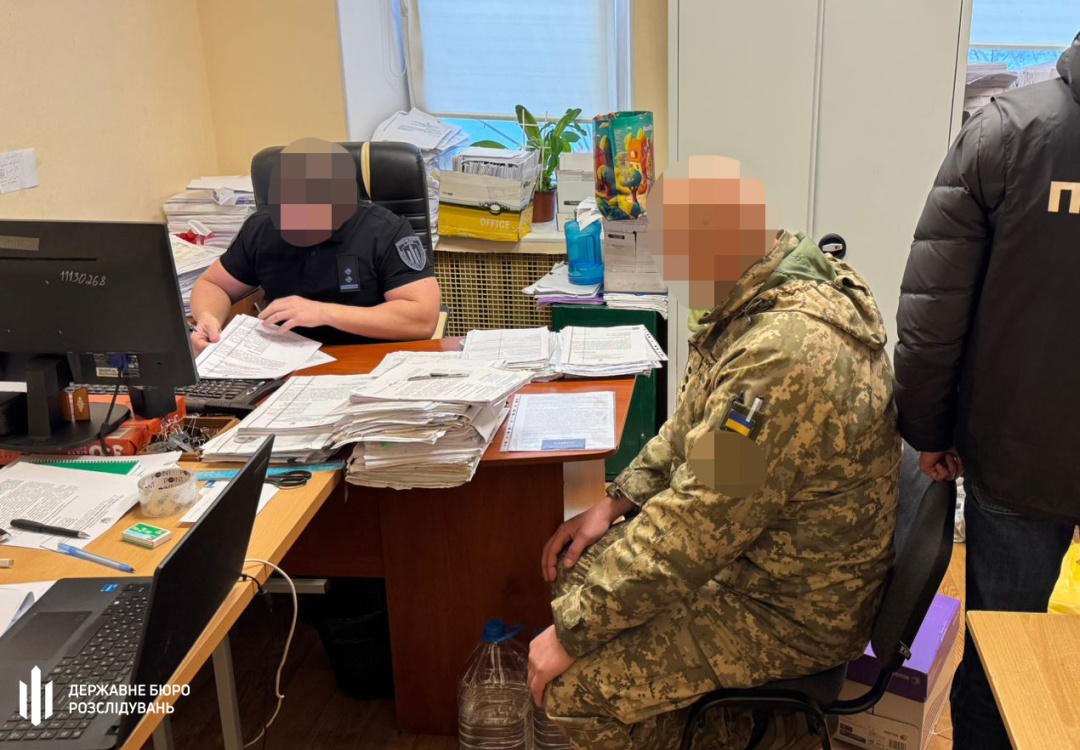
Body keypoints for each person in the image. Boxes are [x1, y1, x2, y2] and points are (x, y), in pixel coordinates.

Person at [529, 155, 901, 749]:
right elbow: (693, 431)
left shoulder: (782, 356)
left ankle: (764, 733)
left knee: (575, 692)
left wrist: (571, 635)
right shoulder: (765, 289)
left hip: (792, 606)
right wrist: (615, 503)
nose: (668, 268)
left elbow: (697, 525)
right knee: (579, 570)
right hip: (764, 556)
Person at [894, 34, 1080, 750]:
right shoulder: (1005, 131)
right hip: (1018, 457)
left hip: (1018, 455)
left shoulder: (1007, 132)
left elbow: (933, 312)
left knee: (1002, 660)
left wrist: (930, 431)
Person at [189, 138, 441, 352]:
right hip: (283, 361)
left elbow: (422, 319)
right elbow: (214, 284)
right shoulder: (263, 227)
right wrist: (208, 317)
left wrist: (325, 313)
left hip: (368, 359)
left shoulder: (385, 230)